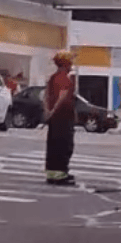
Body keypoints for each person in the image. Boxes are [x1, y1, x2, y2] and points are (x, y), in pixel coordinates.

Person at [43, 50, 77, 185]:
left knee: (52, 144)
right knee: (64, 145)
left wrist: (47, 111)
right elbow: (62, 97)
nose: (72, 65)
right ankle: (60, 174)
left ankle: (51, 173)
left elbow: (45, 95)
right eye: (71, 62)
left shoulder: (52, 77)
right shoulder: (64, 78)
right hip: (63, 117)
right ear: (66, 63)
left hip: (53, 118)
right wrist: (53, 111)